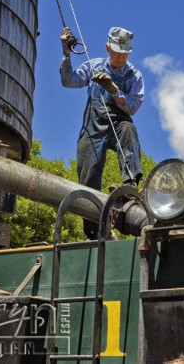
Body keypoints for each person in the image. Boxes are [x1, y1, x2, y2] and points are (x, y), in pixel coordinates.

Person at [59, 26, 144, 239]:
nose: (120, 57)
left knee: (129, 130)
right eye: (116, 53)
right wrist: (67, 53)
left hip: (118, 123)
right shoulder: (94, 65)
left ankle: (129, 187)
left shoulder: (134, 76)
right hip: (93, 128)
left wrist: (114, 89)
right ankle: (94, 231)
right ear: (108, 48)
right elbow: (68, 81)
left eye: (124, 54)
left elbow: (133, 106)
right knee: (88, 175)